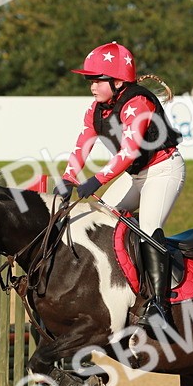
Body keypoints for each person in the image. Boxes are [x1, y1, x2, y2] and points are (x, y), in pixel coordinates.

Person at [59, 42, 186, 337]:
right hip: (135, 175)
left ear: (117, 81)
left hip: (163, 170)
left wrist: (95, 181)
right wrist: (68, 178)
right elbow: (82, 145)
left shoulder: (137, 103)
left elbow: (128, 153)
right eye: (89, 79)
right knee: (98, 220)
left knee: (149, 228)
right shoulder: (96, 109)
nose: (91, 85)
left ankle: (159, 307)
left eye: (97, 79)